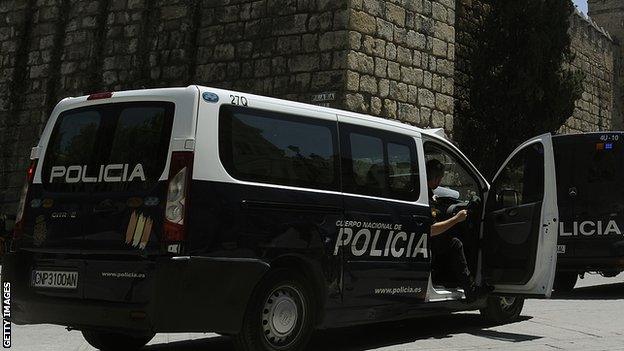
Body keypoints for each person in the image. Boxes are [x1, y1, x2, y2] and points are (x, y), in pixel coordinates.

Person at [426, 159, 488, 302]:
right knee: (455, 243)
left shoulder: (427, 192)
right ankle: (470, 290)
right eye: (440, 178)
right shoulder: (427, 196)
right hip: (426, 240)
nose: (440, 182)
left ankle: (446, 278)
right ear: (435, 178)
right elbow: (432, 230)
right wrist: (456, 219)